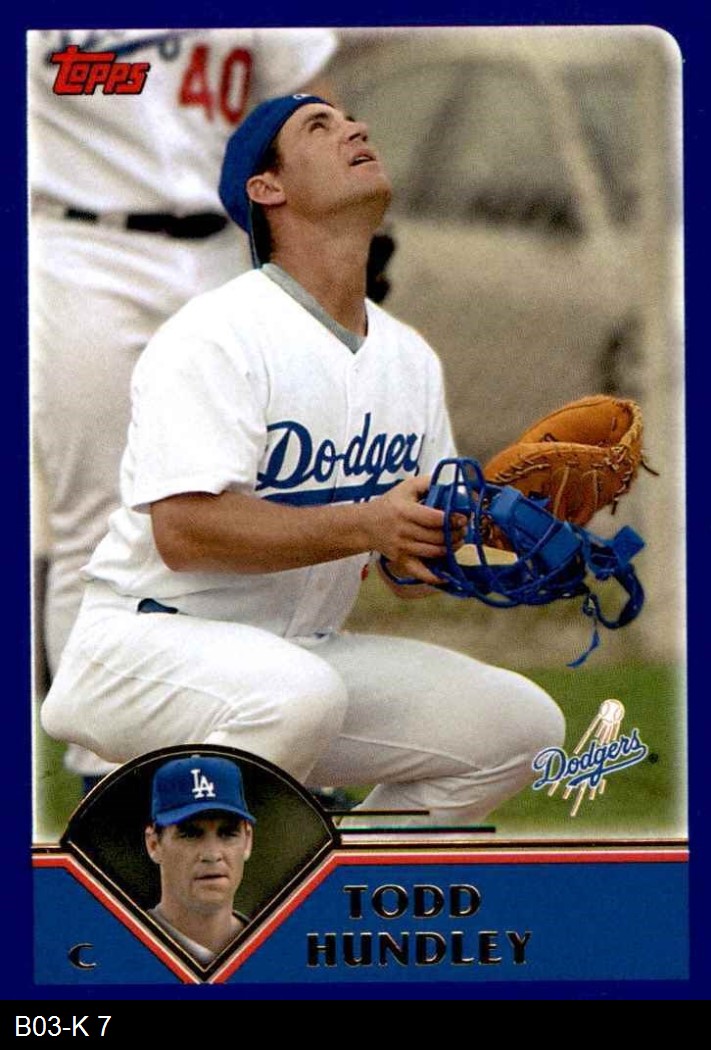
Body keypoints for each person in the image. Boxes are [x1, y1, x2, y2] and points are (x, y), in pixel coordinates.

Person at [41, 94, 565, 827]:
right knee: (295, 695)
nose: (356, 128)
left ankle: (339, 882)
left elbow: (402, 562)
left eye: (351, 120)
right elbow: (185, 533)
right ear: (267, 188)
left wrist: (485, 540)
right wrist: (368, 525)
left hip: (297, 655)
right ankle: (171, 879)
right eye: (320, 126)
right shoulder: (217, 334)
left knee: (519, 728)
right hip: (143, 644)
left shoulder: (408, 357)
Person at [28, 28, 338, 780]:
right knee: (98, 513)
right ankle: (108, 768)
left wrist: (332, 226)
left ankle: (260, 750)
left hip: (227, 250)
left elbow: (302, 101)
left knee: (253, 503)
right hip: (82, 246)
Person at [144, 755, 255, 964]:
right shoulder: (121, 950)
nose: (212, 855)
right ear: (154, 844)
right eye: (190, 834)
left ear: (247, 840)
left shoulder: (279, 954)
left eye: (228, 833)